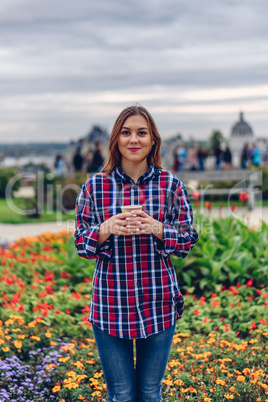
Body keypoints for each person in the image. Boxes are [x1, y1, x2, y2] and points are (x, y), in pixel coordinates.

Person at [74, 105, 199, 401]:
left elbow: (187, 240)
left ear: (153, 140)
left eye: (142, 133)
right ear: (116, 139)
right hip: (110, 304)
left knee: (149, 392)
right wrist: (106, 228)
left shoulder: (171, 186)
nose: (134, 139)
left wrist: (158, 228)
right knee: (119, 394)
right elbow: (81, 243)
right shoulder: (95, 187)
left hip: (158, 302)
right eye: (126, 132)